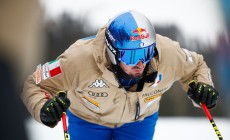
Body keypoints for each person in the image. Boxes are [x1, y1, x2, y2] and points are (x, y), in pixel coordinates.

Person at [21, 10, 219, 140]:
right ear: (112, 51)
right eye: (131, 55)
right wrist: (44, 108)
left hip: (139, 120)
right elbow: (35, 84)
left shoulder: (167, 53)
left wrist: (204, 87)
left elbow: (196, 66)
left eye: (146, 52)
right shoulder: (78, 59)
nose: (140, 63)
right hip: (88, 120)